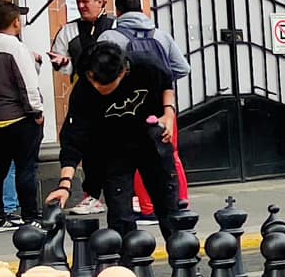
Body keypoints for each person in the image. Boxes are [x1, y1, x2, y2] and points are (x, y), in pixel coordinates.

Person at [46, 41, 186, 240]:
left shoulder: (145, 65)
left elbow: (166, 83)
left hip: (151, 141)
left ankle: (184, 262)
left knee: (169, 207)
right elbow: (73, 138)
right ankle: (126, 267)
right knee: (120, 215)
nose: (96, 86)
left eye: (103, 83)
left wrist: (169, 114)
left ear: (122, 73)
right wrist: (64, 184)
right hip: (112, 150)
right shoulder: (84, 90)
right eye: (92, 79)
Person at [101, 0, 191, 216]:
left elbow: (100, 72)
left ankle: (148, 208)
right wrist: (161, 82)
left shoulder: (110, 36)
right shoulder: (160, 35)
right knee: (170, 155)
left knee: (136, 157)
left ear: (118, 12)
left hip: (127, 108)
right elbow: (182, 68)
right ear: (142, 10)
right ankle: (180, 202)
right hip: (162, 107)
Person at [45, 0, 113, 215]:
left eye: (86, 1)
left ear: (101, 2)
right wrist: (62, 64)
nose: (82, 6)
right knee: (87, 146)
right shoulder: (69, 30)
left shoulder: (115, 27)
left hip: (115, 95)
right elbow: (61, 59)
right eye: (79, 2)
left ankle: (130, 195)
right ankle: (91, 194)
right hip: (85, 95)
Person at [0, 2, 45, 229]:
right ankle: (31, 216)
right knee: (26, 167)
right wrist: (36, 112)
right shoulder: (14, 47)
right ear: (15, 22)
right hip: (19, 116)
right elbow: (27, 83)